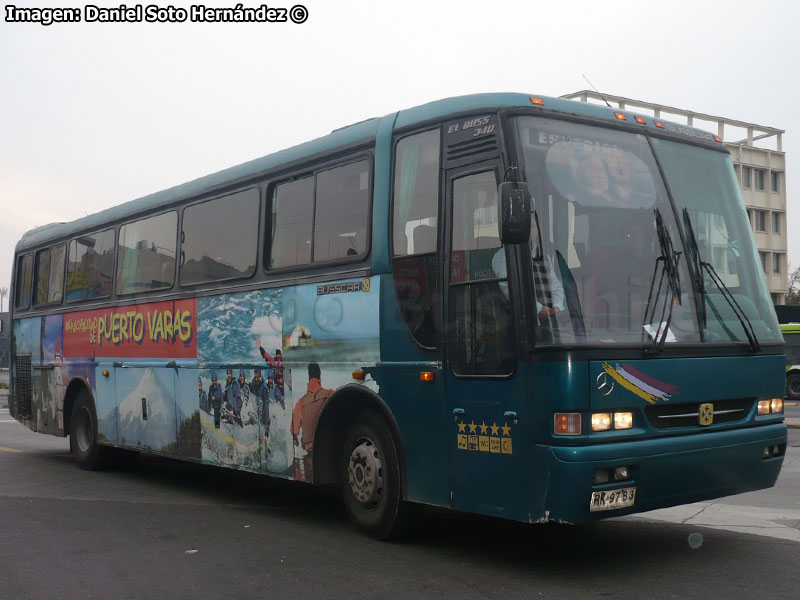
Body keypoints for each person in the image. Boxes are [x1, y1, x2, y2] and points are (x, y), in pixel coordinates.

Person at [291, 362, 333, 482]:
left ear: (309, 378)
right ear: (320, 377)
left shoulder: (301, 401)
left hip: (309, 449)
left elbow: (295, 419)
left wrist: (295, 435)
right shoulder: (328, 394)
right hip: (325, 447)